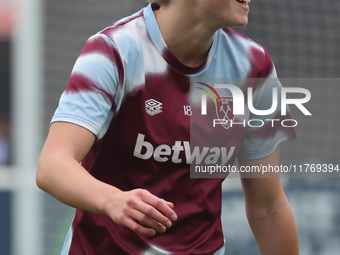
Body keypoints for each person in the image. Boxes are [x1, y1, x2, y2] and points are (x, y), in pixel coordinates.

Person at [36, 0, 300, 254]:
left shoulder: (253, 66)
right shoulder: (113, 51)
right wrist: (112, 199)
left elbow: (269, 208)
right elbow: (52, 165)